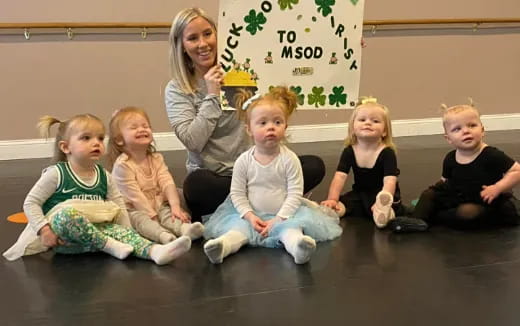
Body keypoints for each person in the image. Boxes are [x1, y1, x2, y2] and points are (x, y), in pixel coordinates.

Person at [164, 7, 325, 220]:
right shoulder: (177, 89)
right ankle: (268, 200)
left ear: (218, 34)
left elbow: (286, 83)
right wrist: (213, 96)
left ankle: (253, 200)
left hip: (258, 171)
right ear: (182, 46)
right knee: (196, 186)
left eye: (208, 34)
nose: (203, 44)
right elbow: (193, 142)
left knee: (314, 165)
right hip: (218, 177)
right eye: (193, 38)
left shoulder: (247, 71)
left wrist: (342, 51)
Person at [3, 114, 191, 265]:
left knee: (122, 228)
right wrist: (44, 230)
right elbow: (31, 202)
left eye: (100, 138)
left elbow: (119, 204)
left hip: (96, 236)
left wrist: (128, 233)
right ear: (66, 147)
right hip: (67, 239)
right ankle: (110, 246)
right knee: (67, 215)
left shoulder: (104, 176)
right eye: (86, 138)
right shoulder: (56, 174)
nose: (96, 143)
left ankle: (155, 252)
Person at [202, 86, 342, 265]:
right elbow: (237, 193)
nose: (271, 128)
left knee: (291, 230)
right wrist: (250, 216)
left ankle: (298, 248)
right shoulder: (244, 161)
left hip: (284, 214)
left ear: (286, 126)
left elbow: (294, 194)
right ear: (249, 129)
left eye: (277, 122)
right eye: (262, 123)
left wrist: (279, 219)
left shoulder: (289, 159)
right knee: (237, 231)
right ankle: (222, 246)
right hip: (251, 215)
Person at [408, 103, 520, 229]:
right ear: (448, 138)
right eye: (457, 129)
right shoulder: (450, 158)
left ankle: (431, 216)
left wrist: (497, 188)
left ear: (482, 130)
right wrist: (431, 195)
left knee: (467, 213)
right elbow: (444, 182)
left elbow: (517, 171)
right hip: (461, 196)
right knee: (428, 194)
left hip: (487, 201)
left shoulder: (491, 155)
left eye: (472, 125)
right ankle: (415, 221)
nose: (466, 131)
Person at [321, 97, 422, 230]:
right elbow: (339, 177)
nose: (368, 123)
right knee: (345, 203)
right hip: (360, 193)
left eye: (375, 121)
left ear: (385, 131)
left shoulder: (387, 153)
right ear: (353, 128)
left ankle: (386, 213)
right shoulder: (349, 151)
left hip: (383, 194)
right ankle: (333, 211)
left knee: (388, 208)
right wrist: (332, 199)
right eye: (362, 120)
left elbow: (390, 181)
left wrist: (384, 200)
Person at [107, 107, 204, 244]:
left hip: (157, 203)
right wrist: (153, 216)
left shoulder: (156, 158)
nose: (142, 129)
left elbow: (167, 182)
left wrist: (175, 206)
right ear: (119, 140)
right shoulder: (123, 165)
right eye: (134, 127)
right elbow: (135, 197)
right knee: (141, 221)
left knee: (168, 212)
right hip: (135, 208)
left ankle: (184, 229)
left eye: (145, 126)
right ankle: (163, 236)